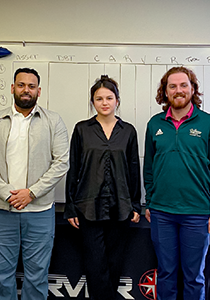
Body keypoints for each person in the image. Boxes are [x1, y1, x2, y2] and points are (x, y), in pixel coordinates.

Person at [0, 67, 69, 300]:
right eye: (21, 85)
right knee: (2, 275)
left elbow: (61, 162)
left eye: (31, 86)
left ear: (39, 91)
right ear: (12, 88)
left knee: (37, 276)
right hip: (2, 210)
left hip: (39, 211)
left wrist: (32, 193)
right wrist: (9, 194)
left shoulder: (53, 121)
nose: (26, 90)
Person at [143, 66, 210, 300]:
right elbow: (148, 170)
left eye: (184, 85)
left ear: (193, 89)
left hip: (197, 214)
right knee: (166, 274)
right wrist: (150, 202)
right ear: (165, 91)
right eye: (173, 86)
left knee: (194, 277)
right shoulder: (154, 124)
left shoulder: (209, 125)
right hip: (162, 213)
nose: (178, 90)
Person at [64, 75, 141, 300]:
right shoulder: (82, 130)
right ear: (92, 102)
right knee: (94, 264)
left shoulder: (128, 131)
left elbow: (133, 169)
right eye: (99, 98)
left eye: (109, 97)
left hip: (121, 207)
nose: (104, 102)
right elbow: (74, 169)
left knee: (115, 262)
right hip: (88, 207)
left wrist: (135, 204)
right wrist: (70, 206)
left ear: (117, 100)